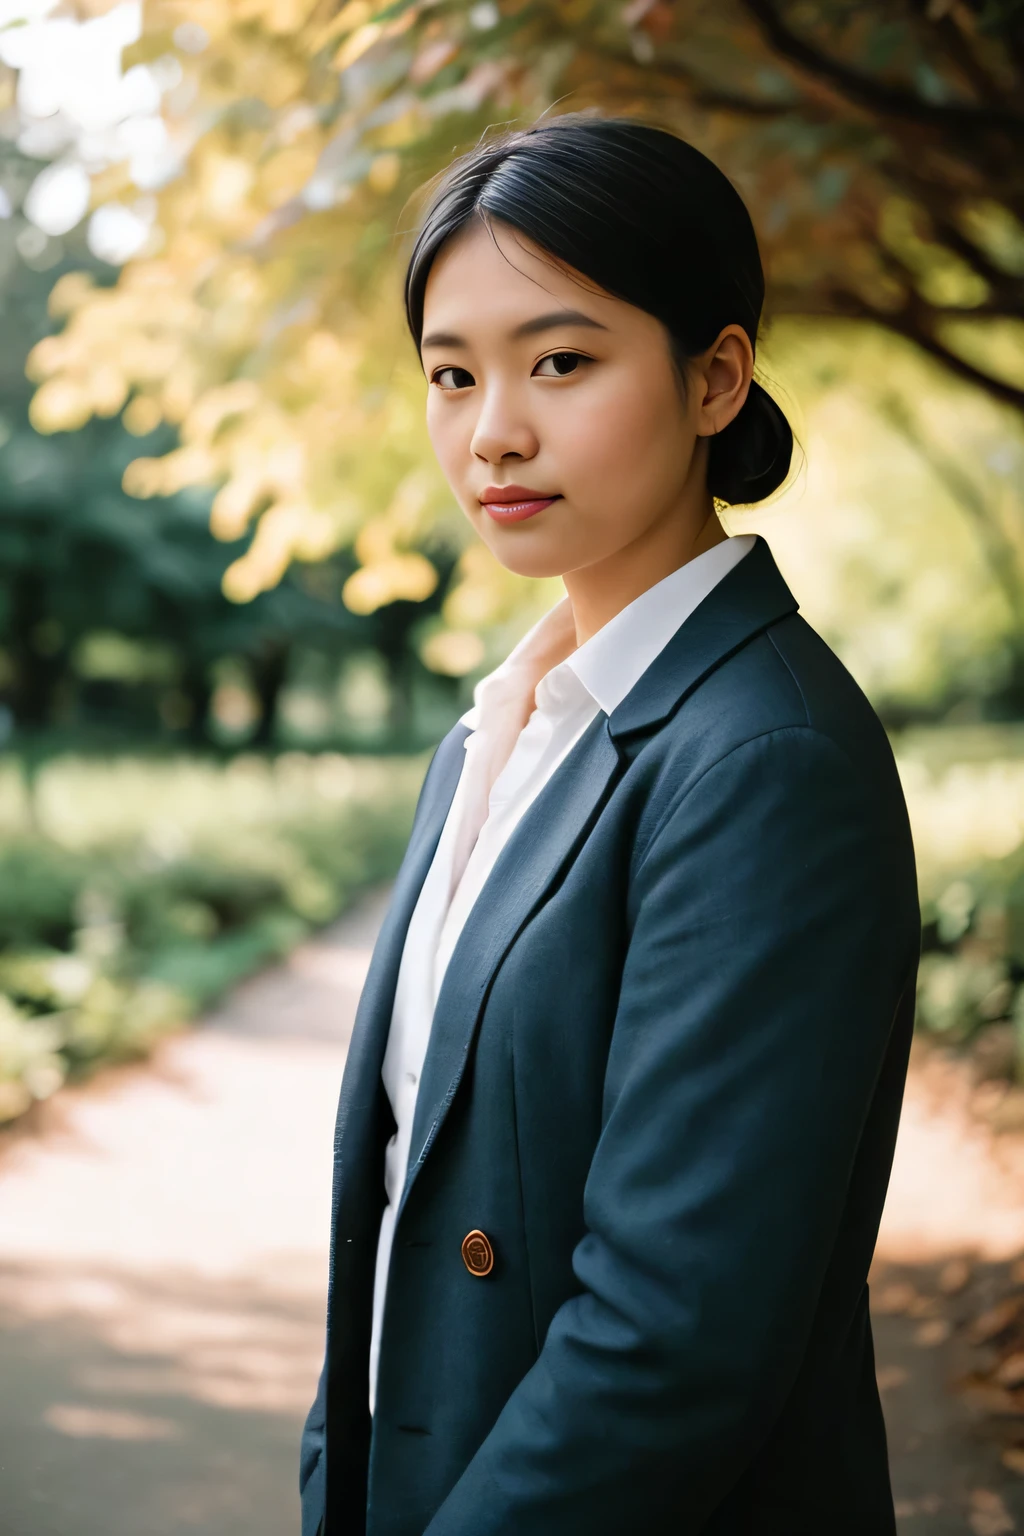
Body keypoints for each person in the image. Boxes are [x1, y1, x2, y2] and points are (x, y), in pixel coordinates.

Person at [300, 115, 920, 1536]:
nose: (492, 428)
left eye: (560, 361)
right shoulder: (497, 732)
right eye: (451, 375)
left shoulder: (766, 758)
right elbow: (395, 1207)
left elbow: (672, 1336)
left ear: (715, 377)